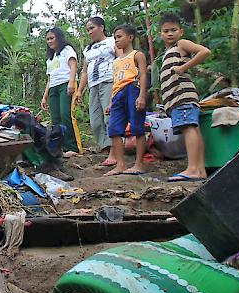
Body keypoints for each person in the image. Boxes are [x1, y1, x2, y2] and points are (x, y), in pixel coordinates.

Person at [158, 12, 210, 182]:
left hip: (183, 96)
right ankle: (200, 170)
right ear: (160, 34)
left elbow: (204, 51)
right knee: (192, 129)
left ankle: (193, 168)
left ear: (181, 31)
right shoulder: (167, 52)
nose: (170, 33)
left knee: (189, 129)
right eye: (166, 31)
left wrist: (183, 68)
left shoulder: (181, 44)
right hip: (176, 99)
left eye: (174, 30)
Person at [104, 24, 148, 176]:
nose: (117, 40)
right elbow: (115, 81)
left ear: (130, 37)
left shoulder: (137, 55)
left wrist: (142, 95)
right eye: (115, 38)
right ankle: (120, 164)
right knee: (114, 128)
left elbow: (143, 75)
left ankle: (138, 164)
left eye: (120, 36)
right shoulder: (116, 61)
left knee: (137, 126)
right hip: (118, 93)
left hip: (133, 89)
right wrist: (111, 101)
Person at [74, 17, 118, 166]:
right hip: (93, 85)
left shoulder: (112, 41)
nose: (90, 32)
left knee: (109, 117)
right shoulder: (88, 49)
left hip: (108, 81)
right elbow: (85, 72)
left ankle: (114, 152)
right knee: (95, 121)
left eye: (92, 28)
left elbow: (120, 59)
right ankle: (106, 148)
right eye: (88, 30)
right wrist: (79, 90)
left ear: (101, 27)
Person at [41, 28, 81, 157]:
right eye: (47, 39)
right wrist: (44, 97)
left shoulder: (67, 50)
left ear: (59, 37)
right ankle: (61, 146)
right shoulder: (50, 59)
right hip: (53, 87)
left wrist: (71, 83)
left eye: (52, 38)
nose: (50, 41)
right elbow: (50, 78)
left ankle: (73, 147)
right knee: (56, 118)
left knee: (66, 114)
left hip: (66, 84)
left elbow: (73, 66)